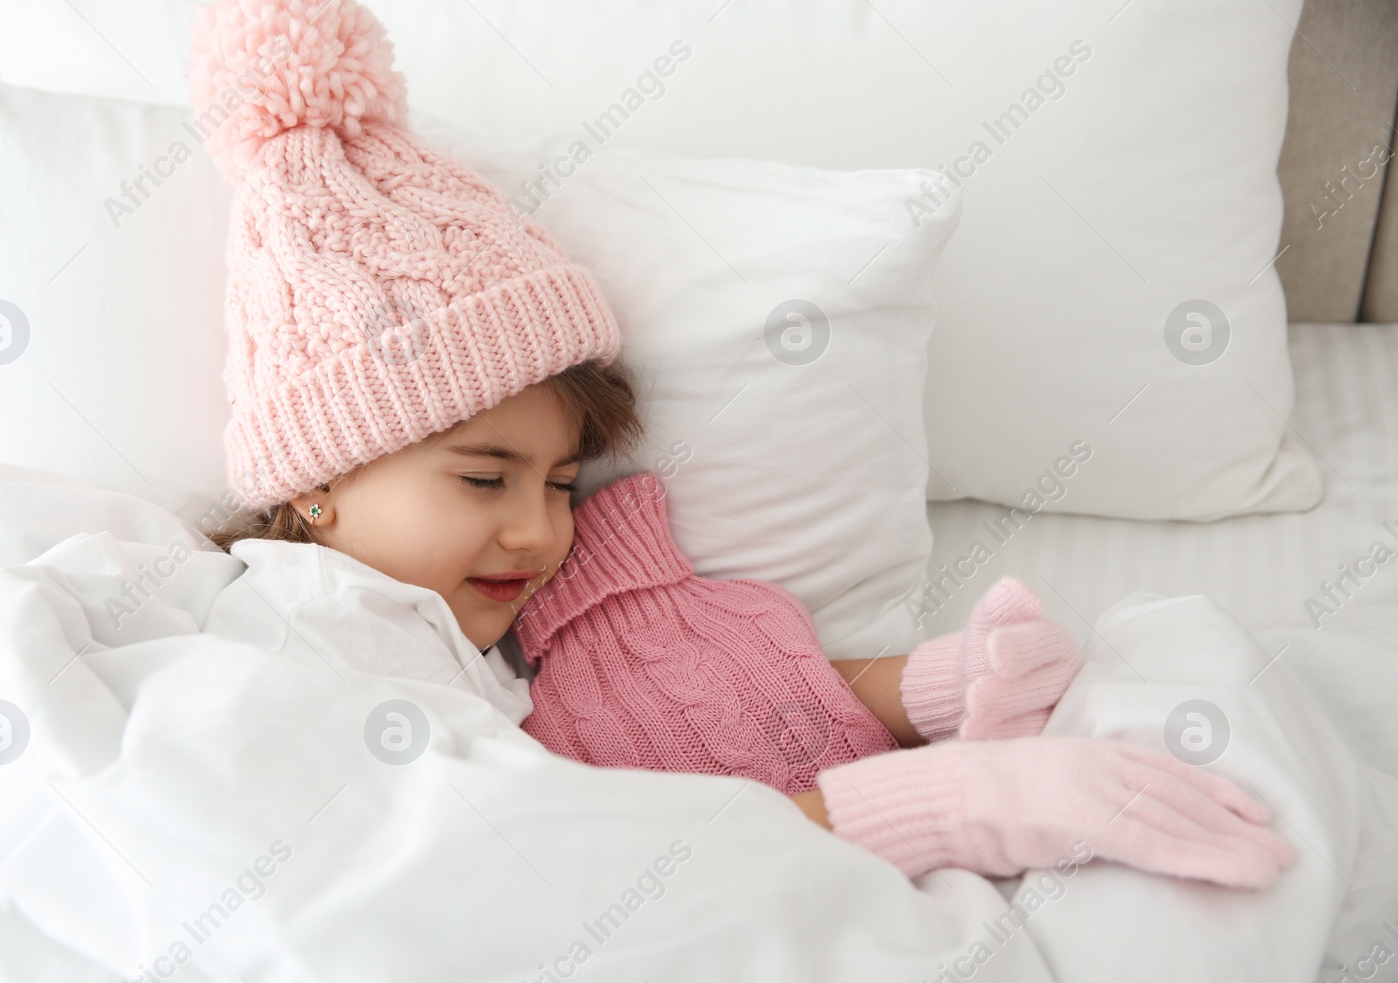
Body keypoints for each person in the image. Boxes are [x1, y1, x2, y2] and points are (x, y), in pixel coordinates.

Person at [195, 0, 1294, 891]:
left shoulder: (446, 632)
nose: (541, 530)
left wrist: (930, 687)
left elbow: (695, 701)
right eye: (485, 475)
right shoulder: (314, 635)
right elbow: (573, 874)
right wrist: (957, 807)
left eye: (565, 482)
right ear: (320, 478)